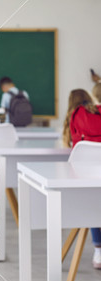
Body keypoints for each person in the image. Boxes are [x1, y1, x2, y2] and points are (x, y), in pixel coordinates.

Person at [64, 88, 101, 269]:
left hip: (86, 178)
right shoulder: (97, 112)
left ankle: (98, 250)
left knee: (90, 202)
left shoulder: (76, 114)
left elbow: (72, 142)